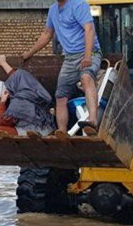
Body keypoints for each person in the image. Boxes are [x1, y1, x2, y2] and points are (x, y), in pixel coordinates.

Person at [22, 0, 102, 133]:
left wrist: (87, 57)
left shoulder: (78, 5)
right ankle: (62, 132)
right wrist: (28, 54)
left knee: (86, 77)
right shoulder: (53, 10)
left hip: (89, 53)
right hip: (70, 57)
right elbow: (47, 34)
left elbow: (89, 29)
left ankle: (92, 120)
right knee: (60, 96)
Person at [0, 55, 55, 136]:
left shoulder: (20, 100)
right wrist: (3, 63)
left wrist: (2, 102)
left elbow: (4, 121)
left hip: (31, 131)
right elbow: (17, 77)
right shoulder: (39, 92)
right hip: (47, 129)